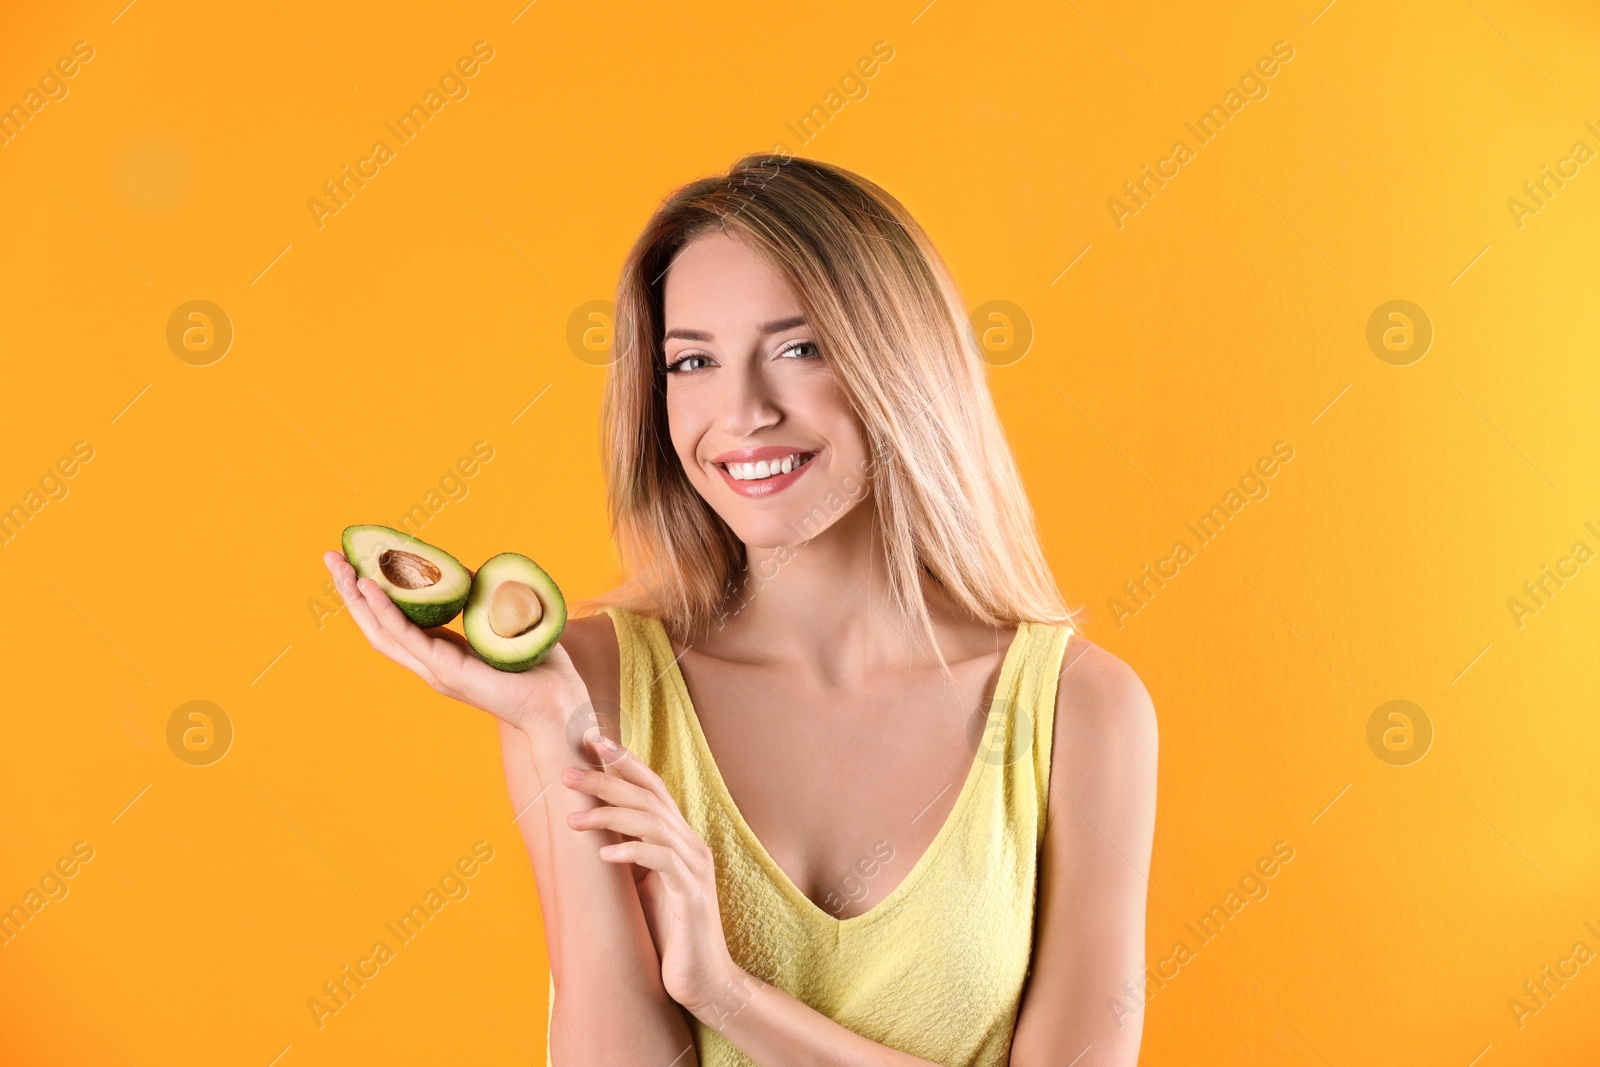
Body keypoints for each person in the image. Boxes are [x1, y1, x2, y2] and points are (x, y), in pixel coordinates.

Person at [323, 154, 1157, 1066]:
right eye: (693, 360)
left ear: (901, 363)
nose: (741, 411)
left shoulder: (1080, 710)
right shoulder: (588, 686)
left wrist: (725, 994)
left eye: (799, 349)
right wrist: (556, 733)